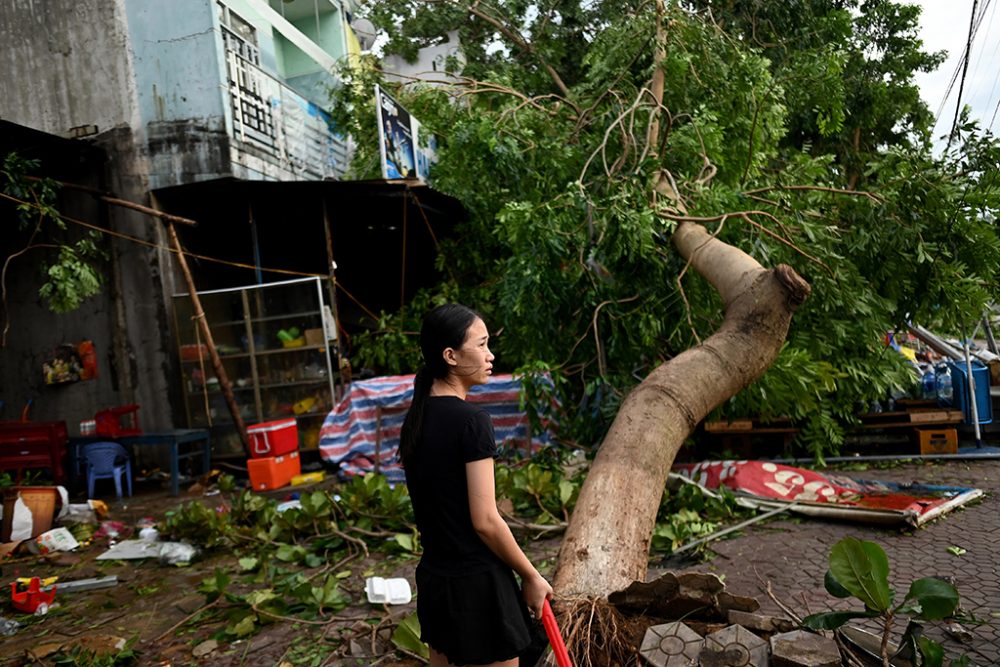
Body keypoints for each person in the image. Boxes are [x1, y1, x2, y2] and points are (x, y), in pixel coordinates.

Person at [401, 303, 553, 667]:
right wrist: (531, 576)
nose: (490, 355)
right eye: (482, 345)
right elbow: (485, 520)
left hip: (436, 580)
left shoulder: (416, 419)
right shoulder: (472, 422)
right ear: (450, 356)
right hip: (478, 588)